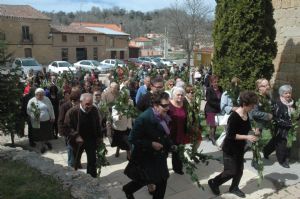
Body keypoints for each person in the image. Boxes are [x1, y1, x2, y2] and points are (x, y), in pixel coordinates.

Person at [123, 91, 173, 199]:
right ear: (155, 105)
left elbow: (164, 134)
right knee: (143, 180)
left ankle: (128, 189)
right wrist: (150, 144)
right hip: (147, 158)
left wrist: (171, 145)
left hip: (159, 156)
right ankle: (128, 190)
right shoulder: (143, 119)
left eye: (168, 105)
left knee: (161, 181)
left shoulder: (163, 115)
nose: (167, 108)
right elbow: (132, 139)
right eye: (164, 105)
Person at [208, 91, 258, 198]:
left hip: (239, 148)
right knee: (231, 171)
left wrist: (253, 130)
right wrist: (247, 137)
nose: (253, 108)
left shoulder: (246, 113)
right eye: (252, 106)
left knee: (239, 170)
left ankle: (234, 187)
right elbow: (231, 135)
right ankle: (214, 182)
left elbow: (246, 126)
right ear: (244, 104)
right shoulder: (234, 117)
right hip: (230, 148)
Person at [64, 93, 103, 177]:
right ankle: (73, 177)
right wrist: (76, 136)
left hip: (90, 139)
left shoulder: (94, 110)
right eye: (87, 104)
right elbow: (67, 127)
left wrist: (100, 137)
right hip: (77, 141)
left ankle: (92, 178)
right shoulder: (72, 112)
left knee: (92, 161)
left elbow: (97, 125)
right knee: (74, 161)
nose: (89, 106)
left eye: (91, 104)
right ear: (81, 102)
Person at [263, 85, 295, 168]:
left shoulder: (291, 102)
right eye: (286, 93)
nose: (288, 95)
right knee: (281, 143)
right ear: (281, 94)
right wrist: (286, 123)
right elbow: (275, 117)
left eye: (289, 93)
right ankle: (282, 160)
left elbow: (294, 115)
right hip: (280, 127)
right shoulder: (278, 103)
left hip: (289, 127)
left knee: (275, 142)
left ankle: (266, 150)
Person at [249, 78, 273, 169]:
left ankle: (236, 154)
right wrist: (267, 115)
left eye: (268, 85)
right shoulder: (255, 98)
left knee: (251, 143)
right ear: (259, 87)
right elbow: (253, 113)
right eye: (265, 85)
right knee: (255, 143)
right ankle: (255, 161)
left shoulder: (267, 96)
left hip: (261, 124)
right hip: (254, 124)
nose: (268, 87)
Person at [27, 88, 55, 153]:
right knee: (40, 135)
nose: (41, 97)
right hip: (37, 121)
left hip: (47, 120)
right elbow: (28, 111)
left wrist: (52, 116)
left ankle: (47, 142)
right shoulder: (32, 101)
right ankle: (43, 147)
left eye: (42, 95)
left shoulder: (46, 99)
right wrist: (34, 116)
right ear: (36, 95)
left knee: (47, 133)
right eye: (39, 95)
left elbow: (51, 108)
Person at [58, 89, 81, 167]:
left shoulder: (80, 106)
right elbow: (60, 120)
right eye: (75, 102)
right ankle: (71, 165)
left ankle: (77, 162)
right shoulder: (64, 106)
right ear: (71, 101)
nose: (76, 104)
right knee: (71, 148)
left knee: (78, 147)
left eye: (78, 102)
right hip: (68, 130)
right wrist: (61, 132)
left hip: (78, 130)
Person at [169, 86, 188, 175]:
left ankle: (177, 168)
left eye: (182, 95)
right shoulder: (169, 105)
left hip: (181, 131)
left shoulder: (184, 104)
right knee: (168, 150)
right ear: (173, 95)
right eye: (178, 95)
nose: (180, 97)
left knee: (179, 150)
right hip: (170, 131)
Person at [111, 90, 133, 160]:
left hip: (128, 125)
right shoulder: (116, 105)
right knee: (119, 141)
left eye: (128, 96)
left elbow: (132, 111)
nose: (127, 98)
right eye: (125, 97)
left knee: (128, 142)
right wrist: (118, 117)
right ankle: (118, 149)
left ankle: (129, 155)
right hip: (119, 126)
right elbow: (113, 117)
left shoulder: (131, 102)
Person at [204, 75, 223, 145]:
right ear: (211, 83)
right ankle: (212, 138)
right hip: (210, 109)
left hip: (217, 109)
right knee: (212, 124)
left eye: (217, 82)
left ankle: (210, 136)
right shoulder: (209, 89)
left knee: (215, 124)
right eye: (214, 82)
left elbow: (222, 97)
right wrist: (219, 105)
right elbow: (209, 100)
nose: (216, 83)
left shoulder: (220, 88)